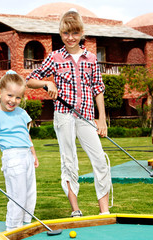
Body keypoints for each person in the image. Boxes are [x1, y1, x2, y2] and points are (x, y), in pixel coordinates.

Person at [26, 9, 112, 217]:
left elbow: (98, 89)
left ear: (81, 33)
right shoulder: (55, 57)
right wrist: (47, 83)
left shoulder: (90, 58)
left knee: (99, 160)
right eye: (66, 34)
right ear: (61, 34)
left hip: (87, 117)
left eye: (74, 33)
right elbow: (29, 80)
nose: (70, 38)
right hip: (64, 116)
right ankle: (75, 209)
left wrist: (101, 119)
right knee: (69, 160)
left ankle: (104, 211)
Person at [0, 70, 39, 230]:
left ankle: (26, 223)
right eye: (9, 95)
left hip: (26, 156)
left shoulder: (22, 113)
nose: (13, 101)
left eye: (18, 97)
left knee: (30, 194)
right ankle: (12, 227)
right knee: (17, 195)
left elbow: (25, 135)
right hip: (13, 158)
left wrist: (33, 154)